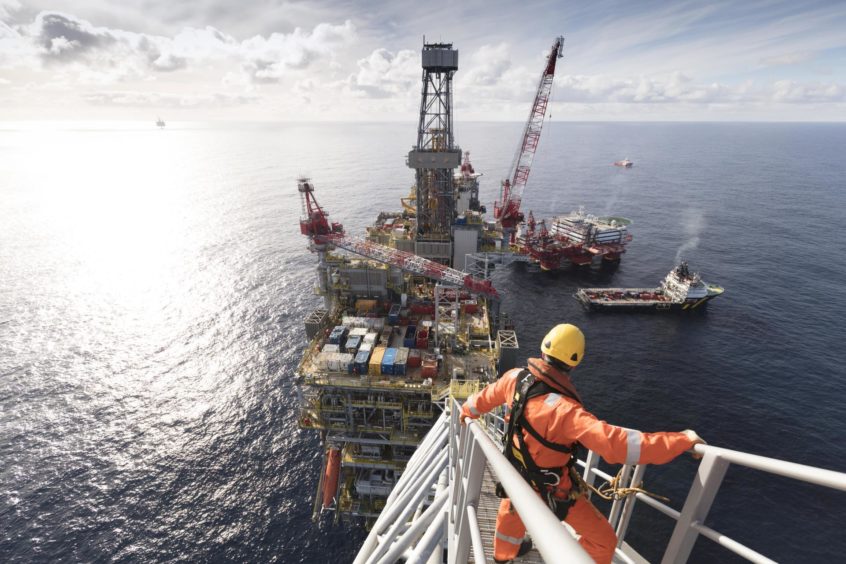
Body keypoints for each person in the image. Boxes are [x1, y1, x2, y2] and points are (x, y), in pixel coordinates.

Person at [460, 323, 705, 564]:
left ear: (544, 348)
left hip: (516, 475)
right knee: (603, 541)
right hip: (551, 488)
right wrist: (682, 441)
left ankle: (502, 557)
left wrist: (466, 413)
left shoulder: (514, 377)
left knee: (512, 510)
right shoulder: (565, 411)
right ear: (574, 362)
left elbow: (483, 399)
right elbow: (618, 445)